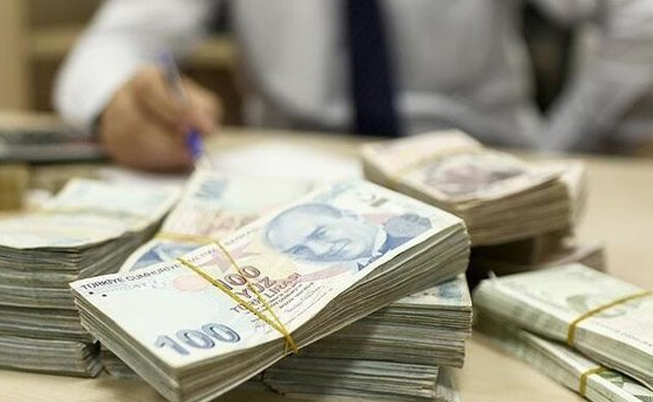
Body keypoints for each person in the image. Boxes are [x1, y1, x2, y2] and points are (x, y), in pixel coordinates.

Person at [54, 1, 653, 171]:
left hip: (483, 159)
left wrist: (564, 147)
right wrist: (121, 99)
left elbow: (639, 20)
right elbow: (109, 47)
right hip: (296, 176)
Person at [265, 203, 431, 265]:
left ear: (352, 216)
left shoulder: (421, 230)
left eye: (321, 233)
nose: (320, 251)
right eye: (299, 250)